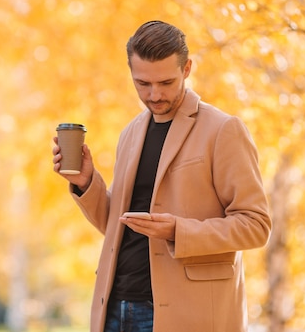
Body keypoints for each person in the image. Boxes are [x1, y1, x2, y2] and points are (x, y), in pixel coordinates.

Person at [52, 20, 272, 332]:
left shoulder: (223, 130)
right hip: (115, 306)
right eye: (143, 84)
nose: (154, 95)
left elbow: (256, 226)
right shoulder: (131, 132)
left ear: (187, 69)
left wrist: (177, 231)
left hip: (184, 313)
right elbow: (118, 226)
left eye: (166, 82)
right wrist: (87, 183)